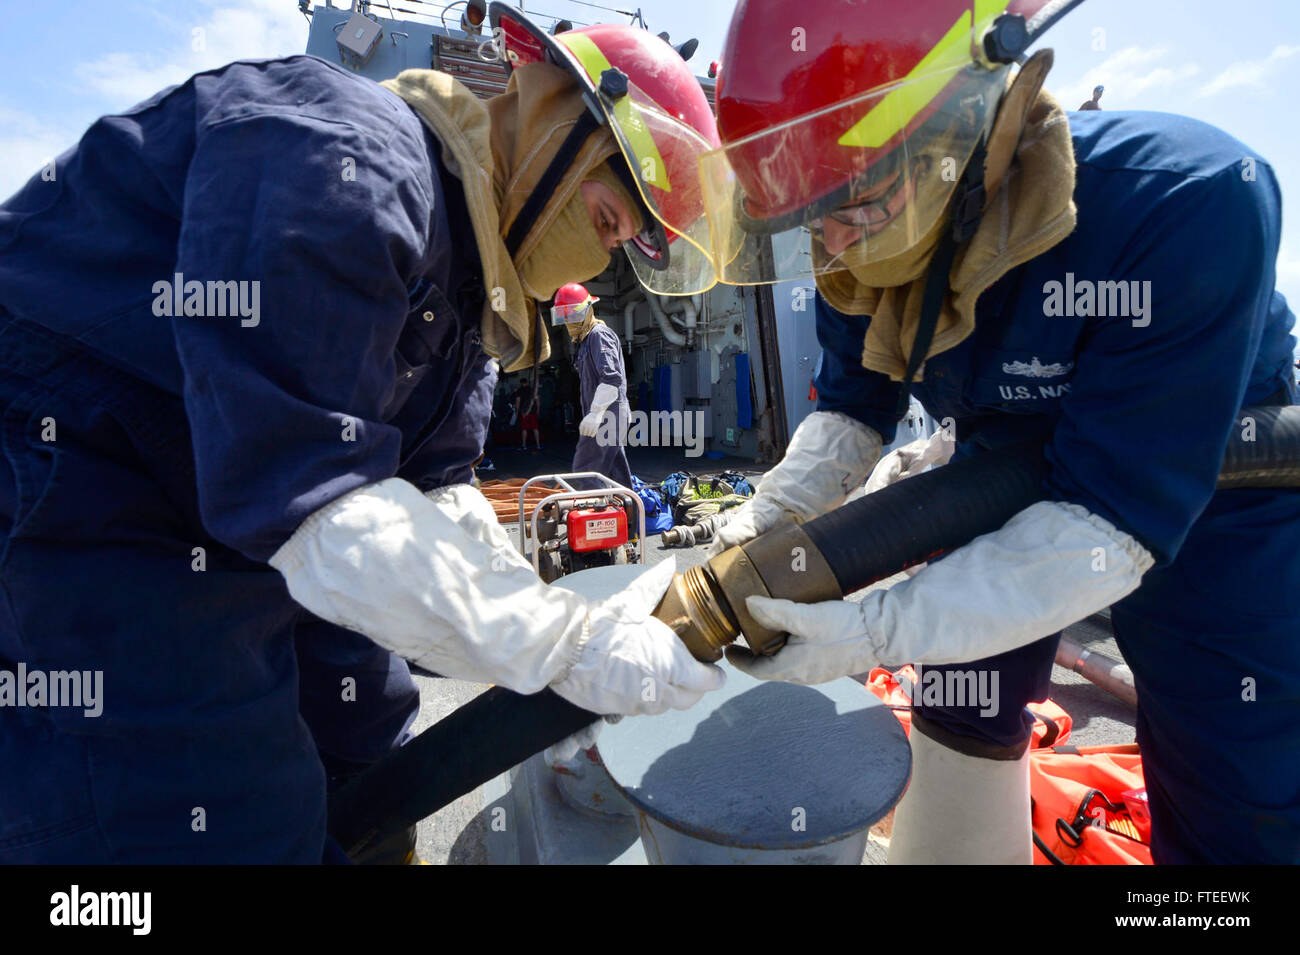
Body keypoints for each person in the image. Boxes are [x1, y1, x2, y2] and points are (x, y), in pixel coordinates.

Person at [0, 6, 725, 863]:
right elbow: (320, 504)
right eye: (606, 221)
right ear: (554, 116)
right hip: (88, 472)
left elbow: (434, 504)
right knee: (213, 807)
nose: (596, 264)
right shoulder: (345, 157)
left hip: (238, 505)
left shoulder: (464, 304)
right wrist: (567, 647)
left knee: (370, 734)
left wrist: (554, 631)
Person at [703, 0, 1299, 864]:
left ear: (958, 127)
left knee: (1236, 783)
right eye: (809, 219)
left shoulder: (1185, 201)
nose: (828, 244)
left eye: (852, 205)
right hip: (996, 468)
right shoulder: (866, 246)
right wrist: (762, 521)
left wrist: (873, 627)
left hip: (1210, 495)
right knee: (963, 708)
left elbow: (1107, 520)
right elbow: (851, 409)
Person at [552, 283, 634, 489]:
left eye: (573, 314)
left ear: (588, 310)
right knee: (616, 472)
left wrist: (596, 413)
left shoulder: (598, 335)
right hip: (606, 415)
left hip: (608, 415)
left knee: (586, 469)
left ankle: (595, 514)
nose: (569, 321)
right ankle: (630, 516)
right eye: (565, 316)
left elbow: (611, 378)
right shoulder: (585, 339)